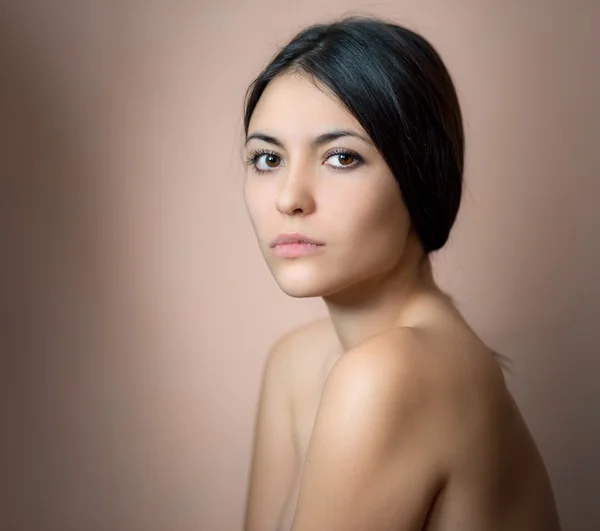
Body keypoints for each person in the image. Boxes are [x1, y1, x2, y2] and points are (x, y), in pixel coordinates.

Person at [240, 15, 562, 531]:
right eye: (267, 158)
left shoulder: (391, 375)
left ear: (421, 177)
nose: (288, 197)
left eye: (341, 157)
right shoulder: (296, 363)